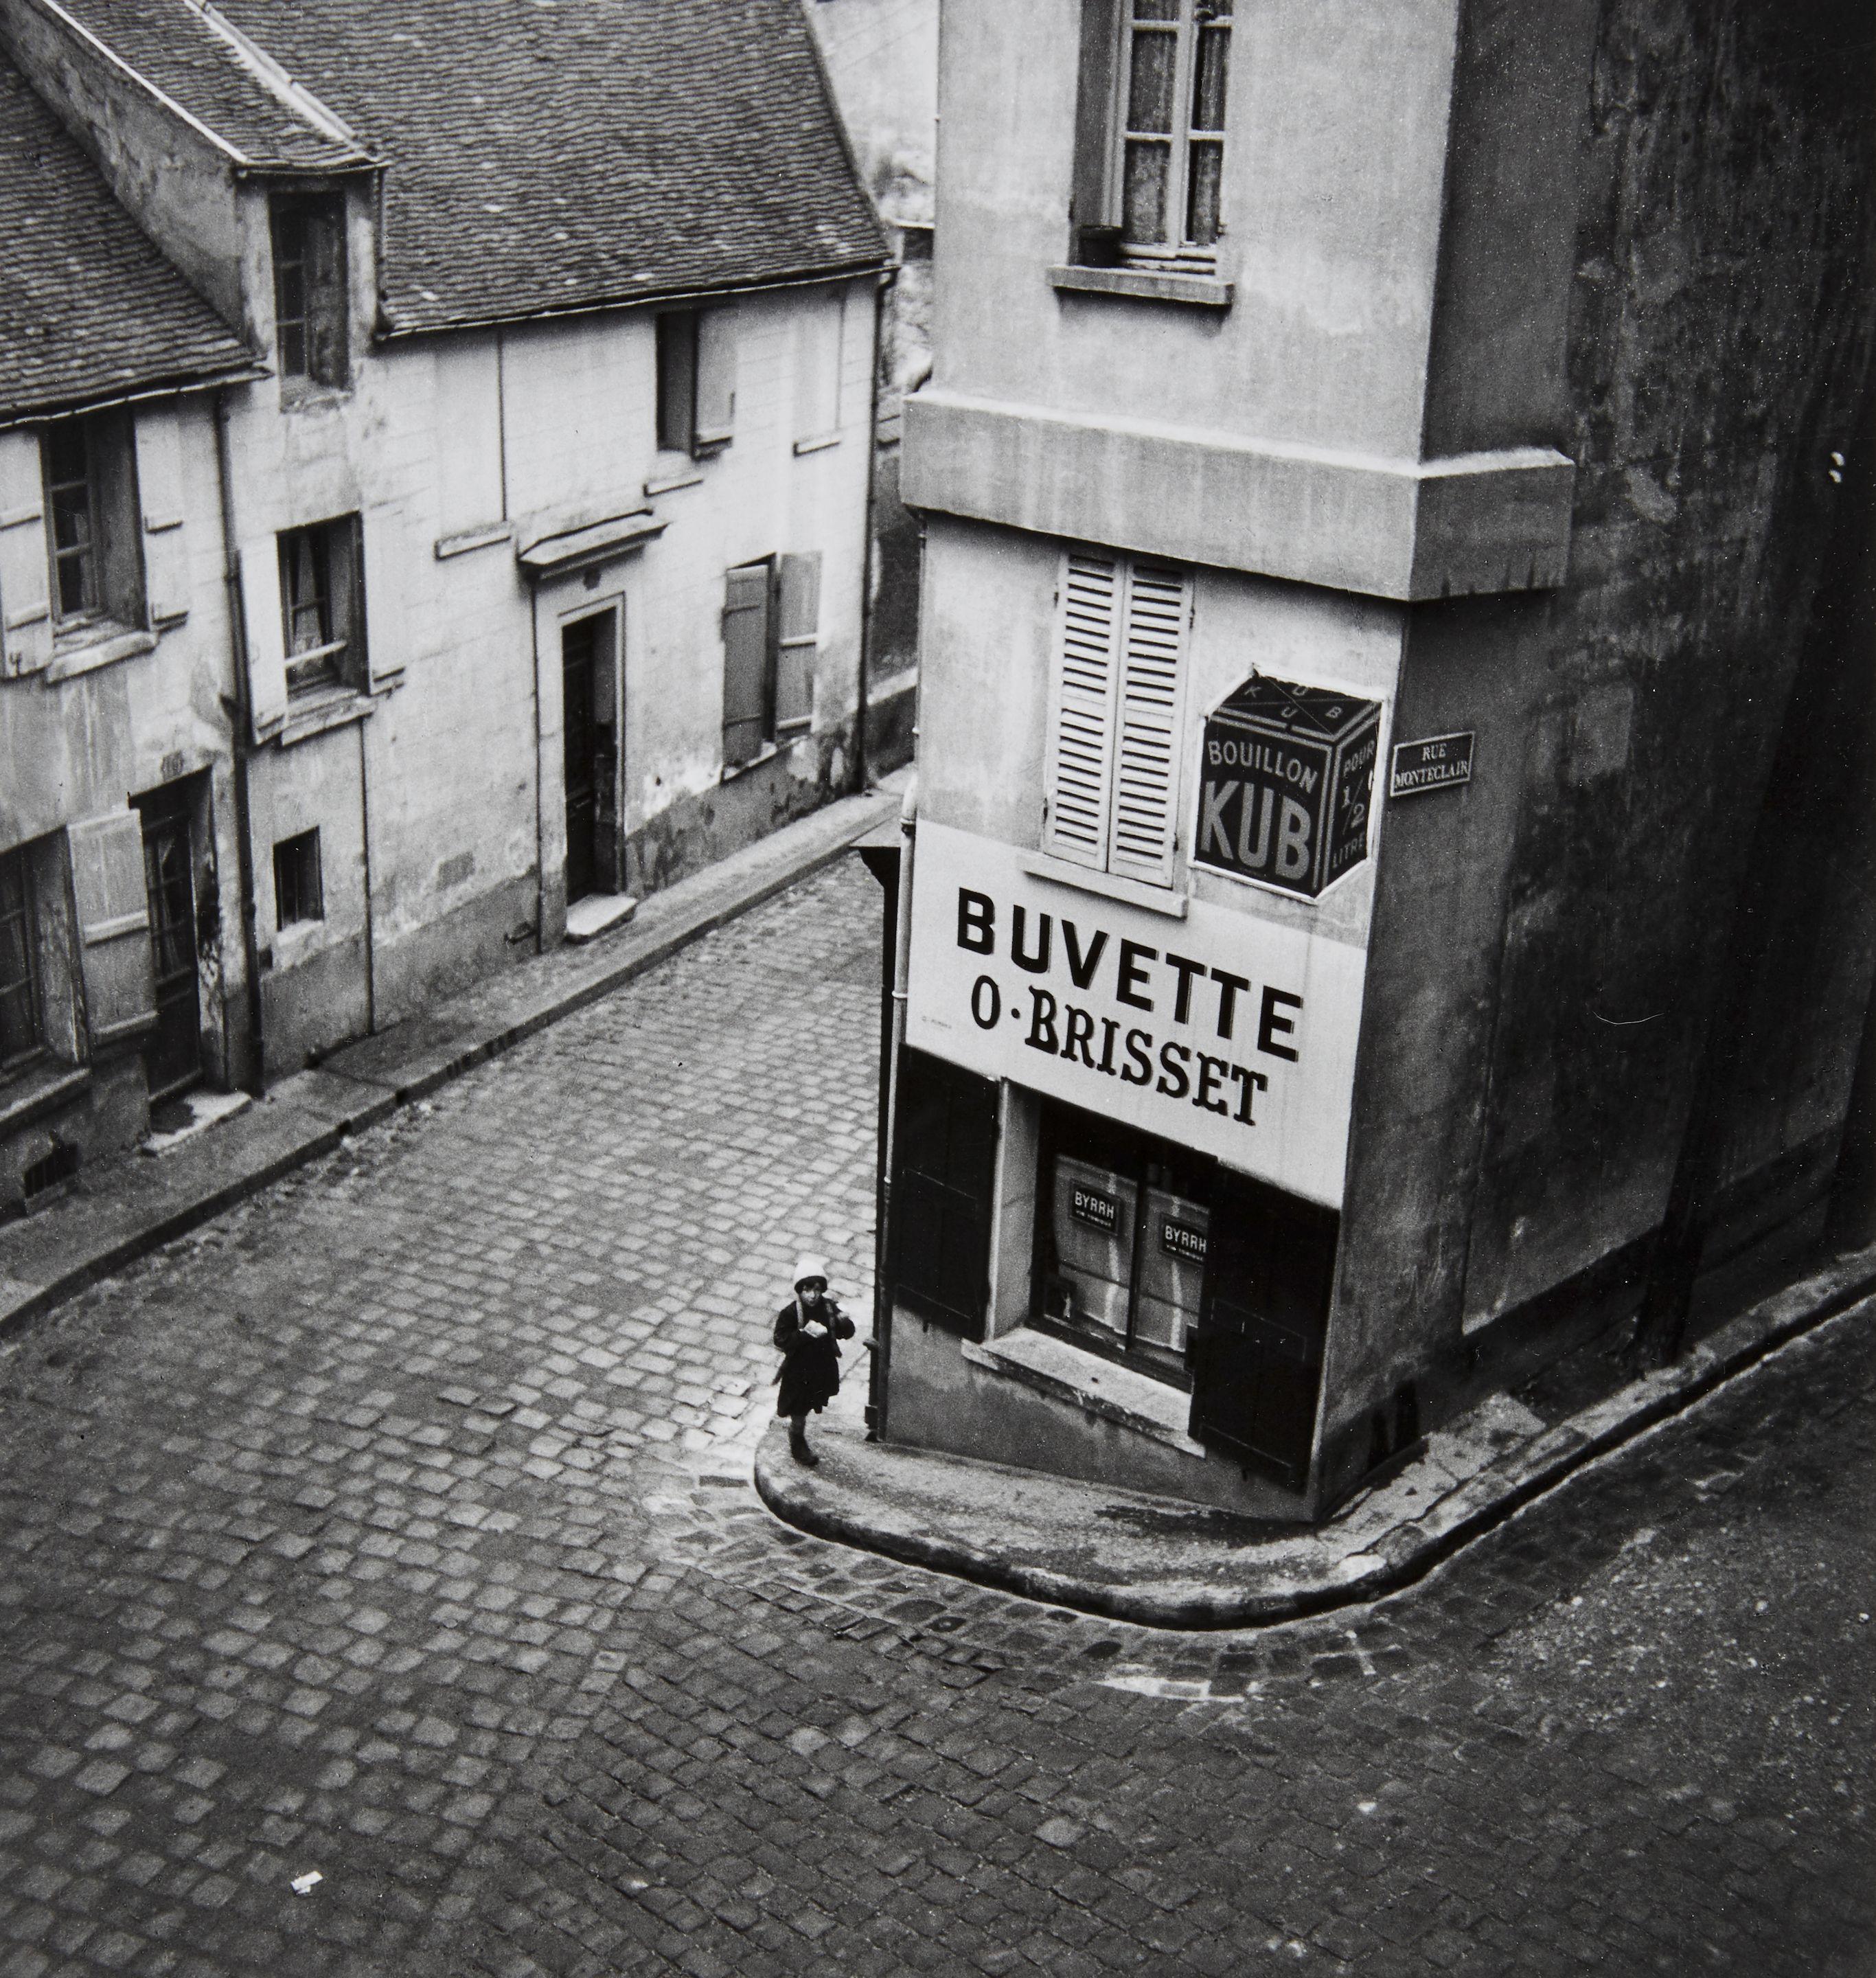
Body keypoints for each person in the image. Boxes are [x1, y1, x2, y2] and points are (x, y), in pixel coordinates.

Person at [773, 1254, 854, 1466]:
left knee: (811, 1402)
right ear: (800, 1291)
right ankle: (797, 1440)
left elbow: (846, 1332)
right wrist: (804, 1335)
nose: (812, 1295)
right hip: (799, 1373)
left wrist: (842, 1322)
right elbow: (780, 1338)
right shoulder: (791, 1313)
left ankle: (799, 1429)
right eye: (807, 1290)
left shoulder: (827, 1308)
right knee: (798, 1409)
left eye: (817, 1290)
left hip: (821, 1368)